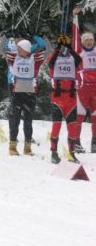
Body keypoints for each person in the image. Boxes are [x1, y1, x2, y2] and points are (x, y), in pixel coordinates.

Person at [4, 34, 46, 155]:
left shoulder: (35, 60)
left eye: (20, 49)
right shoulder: (13, 58)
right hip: (17, 93)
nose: (17, 50)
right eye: (17, 49)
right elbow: (4, 49)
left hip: (30, 94)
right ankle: (12, 147)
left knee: (28, 122)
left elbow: (44, 47)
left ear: (27, 49)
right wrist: (8, 36)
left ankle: (27, 148)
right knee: (15, 121)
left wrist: (37, 36)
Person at [47, 34, 83, 163]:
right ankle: (54, 152)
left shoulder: (73, 58)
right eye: (62, 46)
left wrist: (70, 49)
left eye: (66, 46)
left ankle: (71, 154)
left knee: (72, 127)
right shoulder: (55, 58)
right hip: (57, 98)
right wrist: (58, 49)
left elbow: (79, 61)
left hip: (71, 99)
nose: (64, 48)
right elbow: (49, 62)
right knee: (56, 126)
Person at [71, 8, 95, 153]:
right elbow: (75, 35)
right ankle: (76, 142)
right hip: (82, 89)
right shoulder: (78, 51)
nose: (89, 41)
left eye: (91, 39)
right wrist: (75, 17)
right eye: (86, 39)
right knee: (79, 117)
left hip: (95, 89)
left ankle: (95, 143)